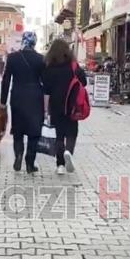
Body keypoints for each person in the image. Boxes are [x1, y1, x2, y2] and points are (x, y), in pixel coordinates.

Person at [0, 32, 45, 174]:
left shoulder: (13, 58)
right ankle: (30, 163)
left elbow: (6, 80)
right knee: (34, 131)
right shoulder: (41, 59)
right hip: (35, 97)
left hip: (17, 96)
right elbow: (46, 81)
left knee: (18, 130)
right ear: (34, 42)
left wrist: (2, 102)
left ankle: (18, 154)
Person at [43, 39, 86, 175]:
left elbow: (46, 91)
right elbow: (83, 82)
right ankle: (69, 151)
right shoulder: (73, 67)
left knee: (59, 135)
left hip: (56, 106)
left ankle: (60, 165)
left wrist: (45, 110)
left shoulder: (49, 68)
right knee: (72, 131)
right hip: (72, 105)